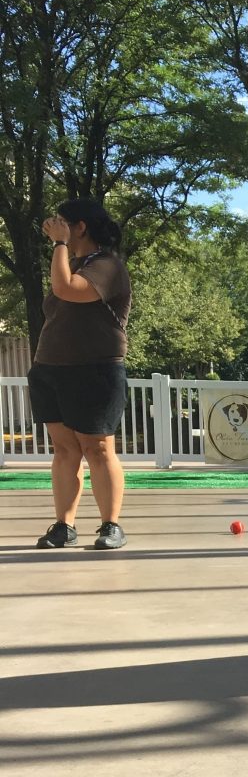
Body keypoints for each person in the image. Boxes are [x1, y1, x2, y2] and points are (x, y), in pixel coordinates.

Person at [27, 197, 132, 549]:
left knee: (98, 449)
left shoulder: (107, 266)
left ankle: (110, 526)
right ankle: (64, 525)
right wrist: (61, 247)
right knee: (64, 450)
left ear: (81, 227)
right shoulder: (70, 263)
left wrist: (59, 243)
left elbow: (67, 289)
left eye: (63, 222)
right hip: (50, 369)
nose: (55, 227)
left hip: (96, 370)